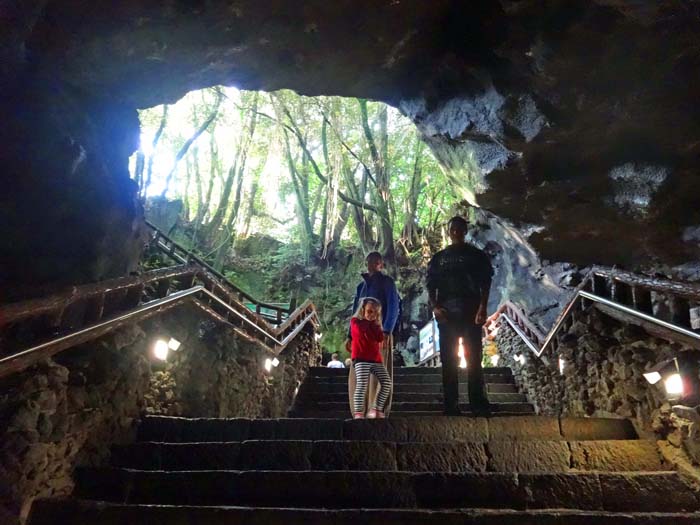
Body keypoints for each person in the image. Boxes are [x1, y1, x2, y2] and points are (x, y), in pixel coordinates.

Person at [427, 216, 493, 415]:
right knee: (449, 359)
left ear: (465, 231)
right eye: (452, 229)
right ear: (449, 232)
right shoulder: (439, 258)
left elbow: (485, 282)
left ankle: (478, 403)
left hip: (471, 311)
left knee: (474, 358)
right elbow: (431, 285)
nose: (455, 232)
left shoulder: (477, 256)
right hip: (447, 313)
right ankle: (451, 404)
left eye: (459, 228)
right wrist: (436, 308)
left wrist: (483, 307)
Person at [345, 252, 400, 416]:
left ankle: (376, 408)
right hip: (361, 338)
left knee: (379, 372)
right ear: (366, 263)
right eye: (370, 261)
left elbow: (393, 306)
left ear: (381, 265)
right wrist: (350, 335)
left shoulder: (387, 283)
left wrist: (387, 330)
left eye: (376, 262)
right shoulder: (361, 288)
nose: (372, 265)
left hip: (379, 333)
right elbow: (356, 312)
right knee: (359, 374)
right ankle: (359, 409)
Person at [350, 297, 392, 419]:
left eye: (376, 312)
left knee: (386, 382)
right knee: (362, 384)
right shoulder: (355, 322)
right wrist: (373, 326)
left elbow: (379, 338)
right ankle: (358, 412)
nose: (372, 315)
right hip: (361, 357)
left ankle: (376, 409)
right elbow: (364, 333)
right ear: (362, 310)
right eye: (370, 311)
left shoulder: (375, 325)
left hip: (375, 358)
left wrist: (377, 325)